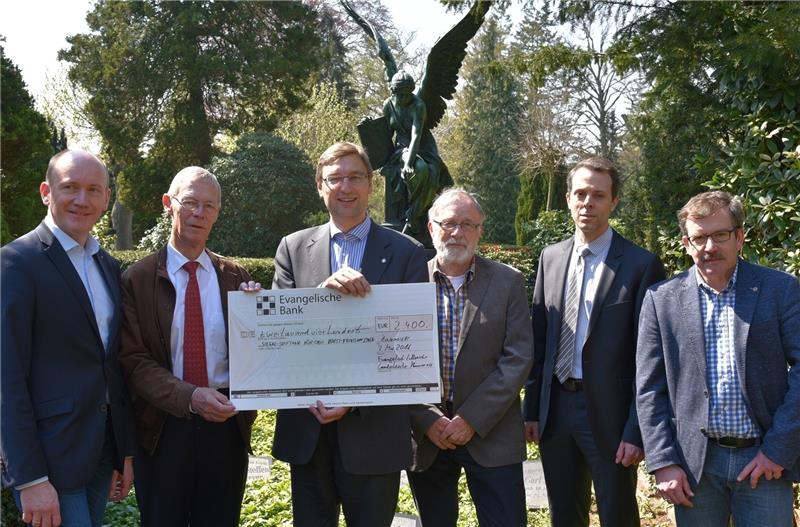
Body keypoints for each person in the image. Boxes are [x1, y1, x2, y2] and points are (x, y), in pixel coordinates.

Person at [270, 142, 428, 527]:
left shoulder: (408, 253)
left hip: (375, 436)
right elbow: (278, 340)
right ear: (320, 186)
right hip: (309, 433)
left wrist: (354, 400)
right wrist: (318, 299)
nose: (345, 187)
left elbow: (409, 348)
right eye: (335, 178)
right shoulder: (292, 249)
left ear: (370, 184)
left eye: (354, 177)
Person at [636, 191, 799, 525]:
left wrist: (778, 450)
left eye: (720, 235)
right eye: (699, 238)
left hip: (763, 462)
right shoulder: (661, 300)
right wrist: (663, 461)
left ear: (739, 237)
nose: (709, 247)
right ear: (685, 243)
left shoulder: (780, 289)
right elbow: (649, 388)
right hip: (695, 467)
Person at [523, 157, 666, 526]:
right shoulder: (550, 258)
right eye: (581, 194)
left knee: (617, 513)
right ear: (568, 199)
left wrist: (637, 430)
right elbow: (540, 338)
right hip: (556, 411)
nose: (588, 203)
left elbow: (650, 357)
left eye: (598, 195)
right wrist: (532, 411)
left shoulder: (641, 265)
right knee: (564, 514)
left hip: (611, 416)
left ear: (614, 202)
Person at [1, 150, 136, 527]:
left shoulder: (107, 264)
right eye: (70, 188)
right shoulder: (16, 263)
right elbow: (6, 378)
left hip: (98, 452)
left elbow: (109, 364)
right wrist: (29, 478)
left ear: (106, 198)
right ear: (46, 192)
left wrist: (121, 452)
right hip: (49, 462)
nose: (82, 199)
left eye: (94, 190)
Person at [118, 167, 257, 526]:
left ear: (217, 213)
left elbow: (259, 352)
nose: (199, 213)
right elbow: (134, 361)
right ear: (169, 204)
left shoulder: (235, 277)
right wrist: (190, 397)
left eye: (208, 206)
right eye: (190, 202)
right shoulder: (138, 278)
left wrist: (260, 313)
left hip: (227, 426)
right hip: (164, 426)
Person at [408, 189, 533, 526]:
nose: (457, 232)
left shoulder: (508, 282)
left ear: (480, 230)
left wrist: (471, 419)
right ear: (432, 228)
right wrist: (426, 418)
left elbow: (518, 358)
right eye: (448, 223)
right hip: (427, 436)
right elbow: (392, 358)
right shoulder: (407, 281)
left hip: (491, 434)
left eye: (467, 224)